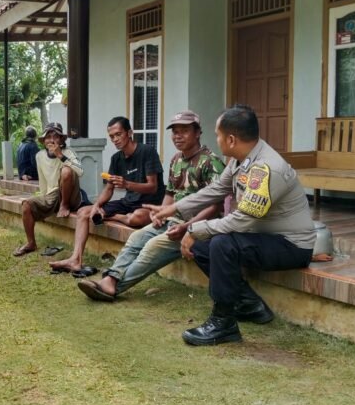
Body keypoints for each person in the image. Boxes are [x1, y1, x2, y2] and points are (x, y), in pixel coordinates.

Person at [146, 104, 315, 346]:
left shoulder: (265, 169)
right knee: (203, 247)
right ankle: (249, 304)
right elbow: (215, 190)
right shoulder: (241, 160)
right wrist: (171, 209)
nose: (217, 139)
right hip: (264, 238)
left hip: (291, 245)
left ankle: (223, 322)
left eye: (218, 135)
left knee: (223, 244)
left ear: (232, 139)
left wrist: (194, 229)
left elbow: (242, 219)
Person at [77, 111, 225, 301]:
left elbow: (216, 205)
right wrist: (161, 215)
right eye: (175, 132)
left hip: (196, 226)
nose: (178, 136)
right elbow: (170, 194)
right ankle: (111, 278)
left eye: (184, 131)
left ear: (197, 133)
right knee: (136, 238)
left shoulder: (211, 162)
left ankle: (111, 286)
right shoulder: (176, 160)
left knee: (151, 248)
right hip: (173, 220)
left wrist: (187, 227)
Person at [50, 116, 165, 274]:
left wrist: (127, 184)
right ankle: (75, 260)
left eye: (119, 134)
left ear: (129, 133)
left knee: (135, 218)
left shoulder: (147, 151)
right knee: (84, 212)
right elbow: (109, 189)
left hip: (149, 204)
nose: (115, 139)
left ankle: (111, 216)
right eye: (112, 136)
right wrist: (97, 206)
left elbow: (153, 187)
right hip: (128, 202)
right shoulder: (116, 158)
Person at [12, 122, 83, 257]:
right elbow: (43, 180)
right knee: (27, 205)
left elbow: (80, 172)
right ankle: (31, 243)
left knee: (67, 171)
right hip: (52, 196)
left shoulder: (68, 152)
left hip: (70, 195)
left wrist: (60, 155)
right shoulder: (39, 156)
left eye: (55, 136)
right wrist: (43, 200)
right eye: (48, 137)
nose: (51, 140)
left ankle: (64, 205)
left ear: (61, 140)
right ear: (44, 141)